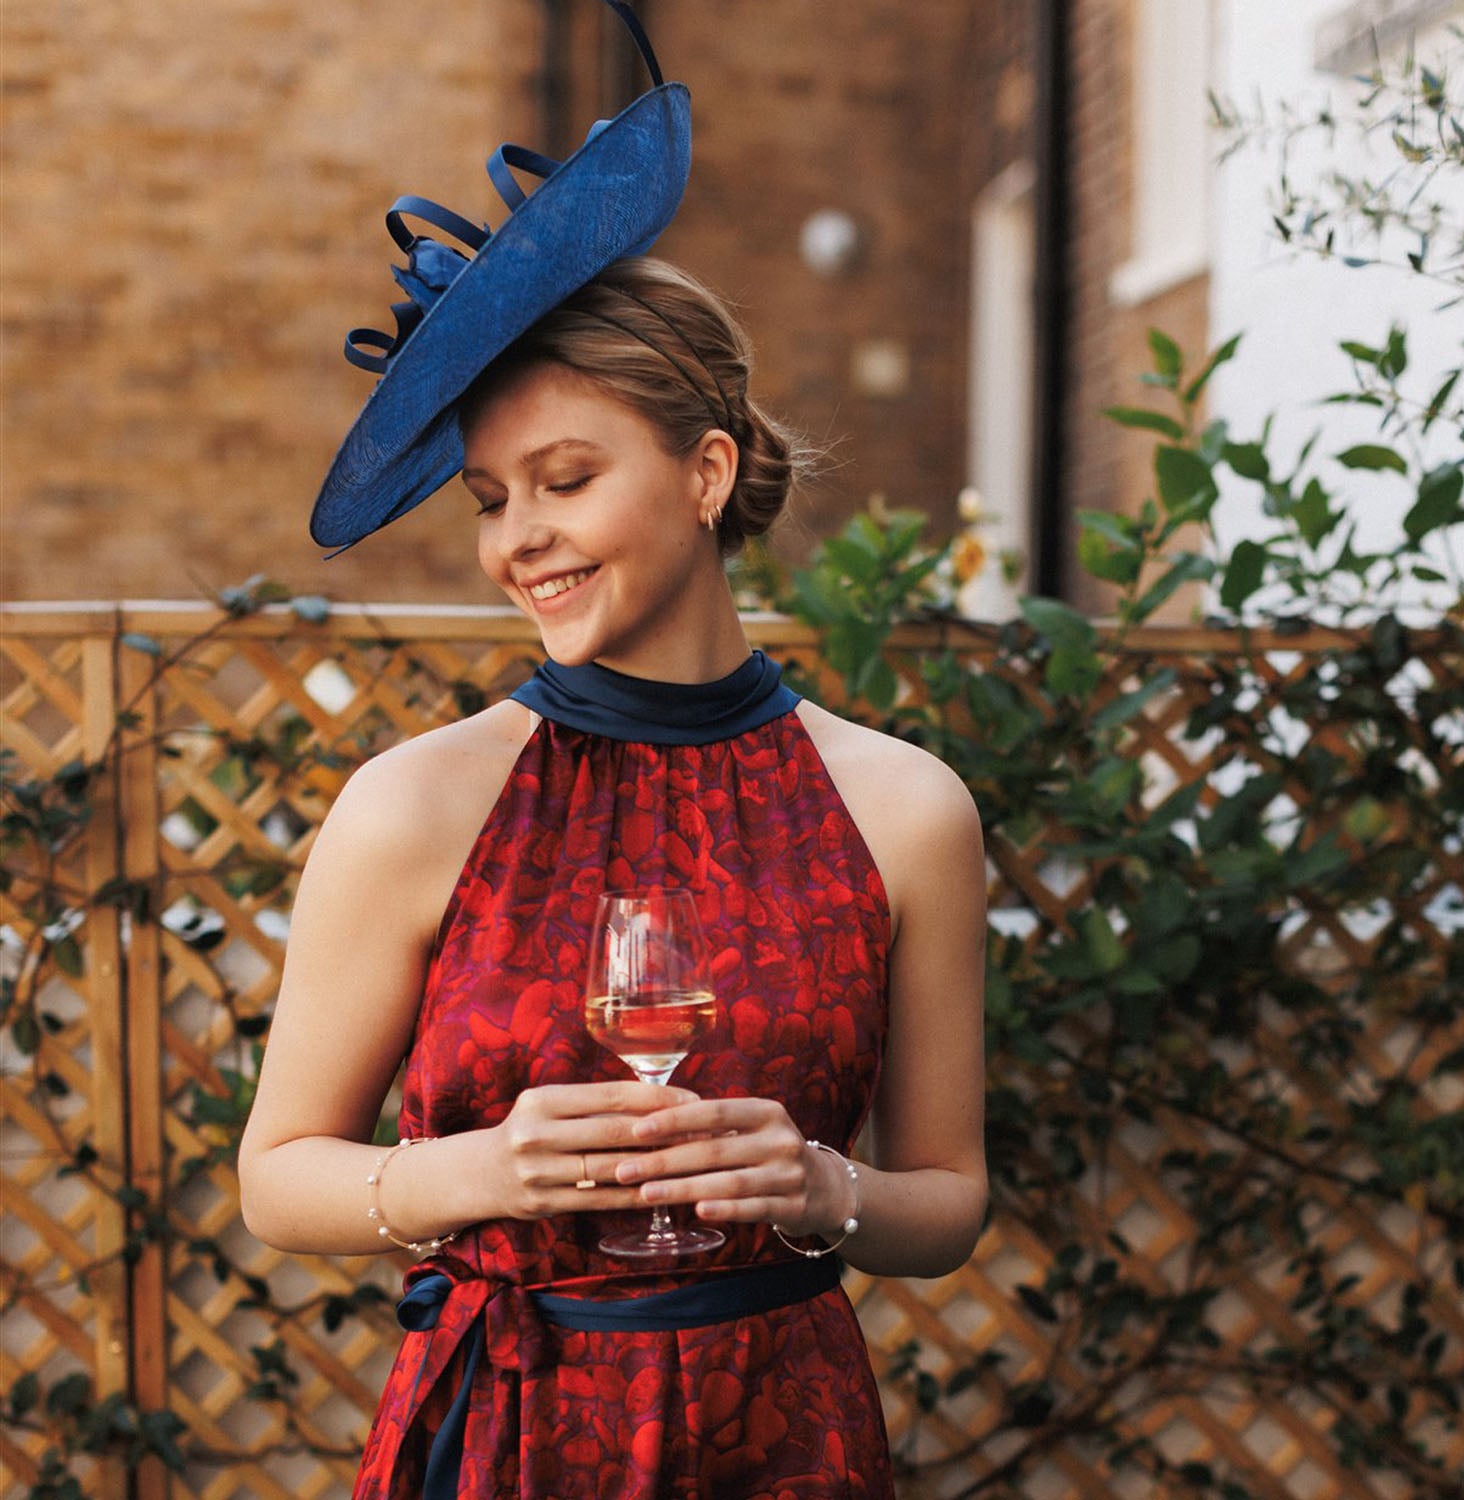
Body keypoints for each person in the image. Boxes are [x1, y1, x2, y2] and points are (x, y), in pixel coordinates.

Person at [237, 5, 987, 1497]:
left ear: (706, 472)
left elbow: (950, 1201)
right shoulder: (416, 808)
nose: (523, 539)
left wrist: (826, 1189)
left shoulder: (905, 809)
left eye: (567, 481)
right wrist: (473, 1177)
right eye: (492, 500)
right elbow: (278, 1174)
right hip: (507, 1439)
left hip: (783, 1440)